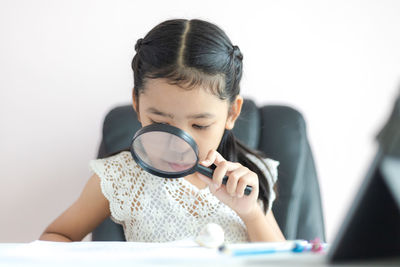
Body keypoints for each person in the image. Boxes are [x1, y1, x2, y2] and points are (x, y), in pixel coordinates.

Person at [40, 19, 285, 243]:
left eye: (199, 125)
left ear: (232, 113)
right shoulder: (122, 177)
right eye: (160, 123)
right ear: (137, 104)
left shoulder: (250, 178)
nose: (178, 144)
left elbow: (282, 261)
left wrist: (251, 213)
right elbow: (56, 235)